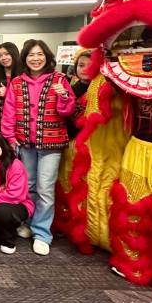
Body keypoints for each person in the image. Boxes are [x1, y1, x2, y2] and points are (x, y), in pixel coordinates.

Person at [1, 39, 74, 256]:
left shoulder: (59, 79)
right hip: (25, 143)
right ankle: (29, 221)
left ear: (47, 56)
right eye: (31, 55)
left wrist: (63, 96)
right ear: (25, 58)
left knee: (45, 188)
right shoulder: (16, 82)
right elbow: (9, 113)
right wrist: (10, 138)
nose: (35, 59)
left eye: (40, 54)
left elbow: (67, 111)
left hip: (51, 144)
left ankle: (42, 233)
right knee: (29, 186)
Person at [55, 49, 92, 236]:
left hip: (92, 148)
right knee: (67, 183)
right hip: (70, 143)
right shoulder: (72, 87)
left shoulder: (102, 88)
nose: (85, 69)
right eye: (81, 65)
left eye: (89, 65)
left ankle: (88, 227)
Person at [0, 42, 22, 131]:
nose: (3, 58)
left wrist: (8, 94)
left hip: (18, 129)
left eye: (7, 54)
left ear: (14, 54)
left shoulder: (23, 77)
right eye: (0, 55)